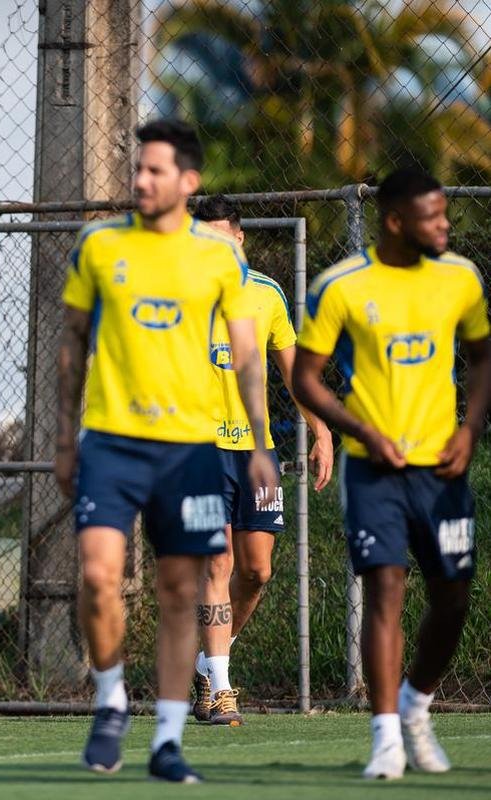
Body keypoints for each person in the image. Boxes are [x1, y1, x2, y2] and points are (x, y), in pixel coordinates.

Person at [54, 119, 277, 783]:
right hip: (111, 441)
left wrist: (260, 442)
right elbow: (70, 344)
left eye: (154, 171)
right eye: (137, 169)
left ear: (188, 181)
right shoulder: (97, 245)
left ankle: (169, 739)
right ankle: (111, 699)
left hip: (191, 449)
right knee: (97, 576)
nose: (140, 180)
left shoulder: (217, 259)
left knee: (179, 590)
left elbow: (244, 358)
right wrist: (64, 438)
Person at [292, 167, 490, 780]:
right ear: (396, 220)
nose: (445, 225)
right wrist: (363, 432)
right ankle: (386, 738)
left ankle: (416, 705)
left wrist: (469, 429)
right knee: (385, 589)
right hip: (372, 470)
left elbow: (484, 357)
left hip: (442, 470)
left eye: (446, 215)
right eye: (433, 216)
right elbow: (305, 378)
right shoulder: (342, 286)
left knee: (452, 598)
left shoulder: (461, 277)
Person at [191, 196, 334, 726]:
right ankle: (223, 691)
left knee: (255, 571)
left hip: (257, 453)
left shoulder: (267, 294)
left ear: (240, 238)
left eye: (220, 239)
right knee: (218, 562)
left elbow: (296, 375)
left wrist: (320, 429)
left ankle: (208, 665)